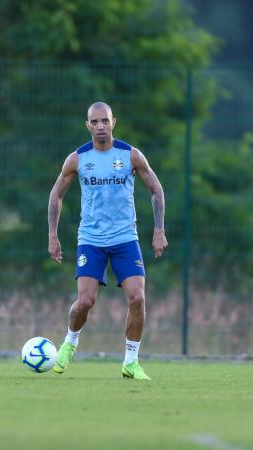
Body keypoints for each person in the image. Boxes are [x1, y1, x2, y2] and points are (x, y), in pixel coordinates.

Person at [47, 101, 167, 380]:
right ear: (87, 125)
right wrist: (52, 235)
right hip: (91, 239)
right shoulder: (77, 159)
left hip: (126, 238)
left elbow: (156, 189)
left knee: (137, 297)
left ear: (114, 122)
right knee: (85, 301)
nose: (100, 126)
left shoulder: (131, 156)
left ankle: (130, 362)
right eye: (94, 122)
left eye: (105, 121)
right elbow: (56, 195)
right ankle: (70, 342)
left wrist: (159, 229)